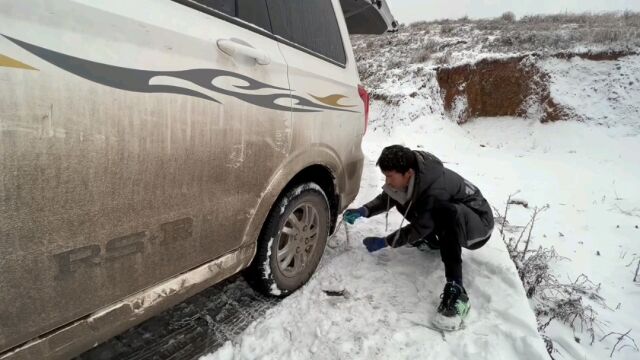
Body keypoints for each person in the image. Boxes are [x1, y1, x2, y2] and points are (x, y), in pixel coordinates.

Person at [343, 145, 494, 330]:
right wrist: (364, 210)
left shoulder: (435, 188)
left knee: (444, 213)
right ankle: (433, 242)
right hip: (458, 216)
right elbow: (389, 197)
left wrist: (386, 241)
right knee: (409, 202)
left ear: (408, 173)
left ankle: (457, 290)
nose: (387, 181)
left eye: (390, 176)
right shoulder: (415, 176)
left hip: (479, 225)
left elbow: (420, 227)